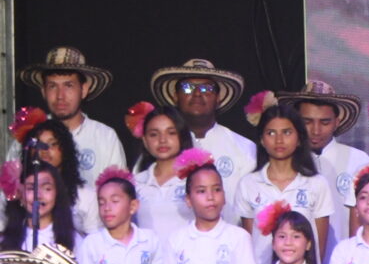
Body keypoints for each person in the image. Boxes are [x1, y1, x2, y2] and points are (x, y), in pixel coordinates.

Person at [234, 106, 333, 264]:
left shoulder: (316, 183)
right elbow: (248, 243)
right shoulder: (248, 184)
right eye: (271, 133)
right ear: (262, 139)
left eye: (286, 132)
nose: (279, 140)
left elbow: (318, 248)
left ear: (299, 138)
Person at [15, 45, 127, 183]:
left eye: (68, 85)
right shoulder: (30, 135)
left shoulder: (105, 137)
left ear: (84, 90)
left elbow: (119, 191)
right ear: (43, 91)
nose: (60, 96)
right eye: (52, 86)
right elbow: (8, 189)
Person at [150, 59, 257, 202]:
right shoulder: (160, 148)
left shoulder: (244, 148)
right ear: (176, 97)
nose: (197, 93)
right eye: (188, 87)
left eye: (206, 88)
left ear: (218, 98)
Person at [157, 152, 257, 264]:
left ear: (224, 196)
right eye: (201, 191)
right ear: (188, 200)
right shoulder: (176, 239)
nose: (210, 197)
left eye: (216, 190)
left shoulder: (239, 237)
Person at [279, 80, 368, 244]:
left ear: (337, 122)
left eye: (325, 122)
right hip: (295, 255)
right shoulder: (285, 162)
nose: (316, 130)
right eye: (307, 121)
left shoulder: (358, 160)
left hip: (345, 254)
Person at [77, 171, 157, 264]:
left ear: (133, 206)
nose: (107, 208)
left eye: (114, 201)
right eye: (101, 203)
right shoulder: (92, 243)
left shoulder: (149, 240)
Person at [130, 104, 195, 241]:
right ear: (145, 141)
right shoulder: (135, 183)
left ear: (182, 136)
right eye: (154, 134)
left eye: (171, 133)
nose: (162, 140)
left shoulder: (196, 180)